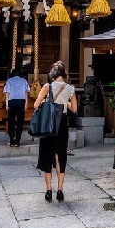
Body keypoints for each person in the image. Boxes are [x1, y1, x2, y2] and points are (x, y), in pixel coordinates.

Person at [34, 61, 77, 202]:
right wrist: (64, 101)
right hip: (62, 124)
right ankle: (60, 190)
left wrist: (46, 100)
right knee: (60, 156)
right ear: (63, 74)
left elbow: (36, 104)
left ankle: (48, 190)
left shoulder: (47, 86)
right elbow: (74, 109)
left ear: (53, 74)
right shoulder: (70, 88)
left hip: (49, 123)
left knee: (48, 155)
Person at [3, 68, 30, 147]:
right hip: (21, 101)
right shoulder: (24, 81)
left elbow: (7, 93)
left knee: (11, 121)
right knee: (20, 122)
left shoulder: (9, 81)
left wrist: (7, 103)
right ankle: (17, 141)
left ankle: (12, 140)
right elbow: (26, 93)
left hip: (12, 101)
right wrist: (26, 103)